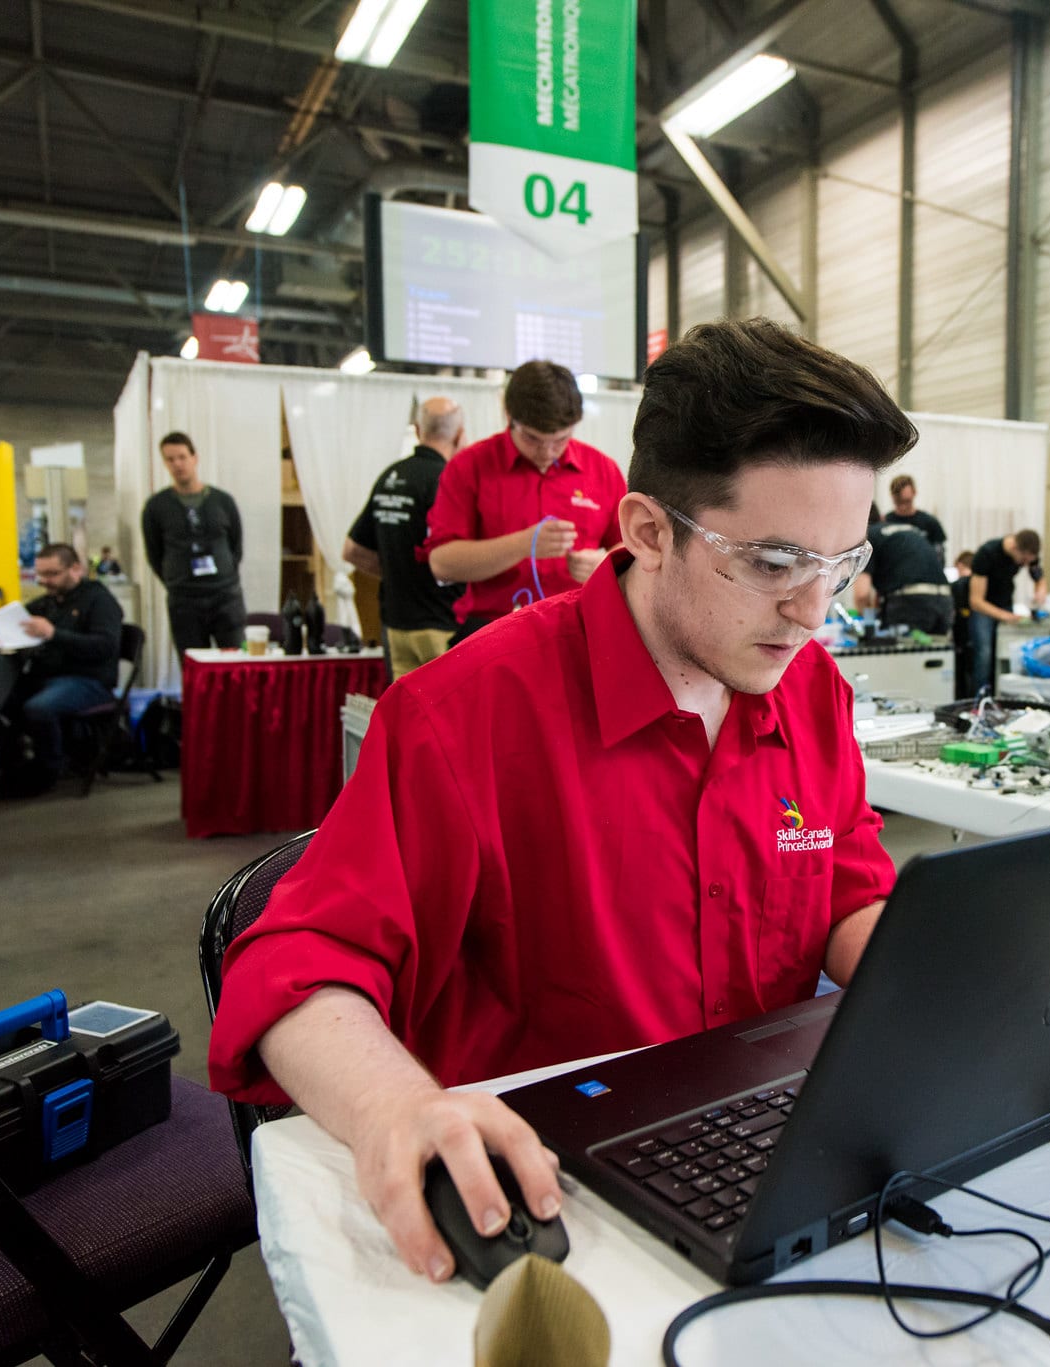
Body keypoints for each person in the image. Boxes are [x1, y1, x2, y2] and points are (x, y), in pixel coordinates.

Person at [207, 317, 915, 1286]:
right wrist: (393, 1111)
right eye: (772, 562)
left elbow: (842, 888)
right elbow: (296, 959)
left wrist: (938, 1000)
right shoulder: (468, 712)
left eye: (839, 563)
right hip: (548, 1189)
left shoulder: (811, 692)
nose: (812, 610)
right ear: (647, 530)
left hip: (759, 1155)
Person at [420, 361, 626, 642]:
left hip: (579, 629)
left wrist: (605, 563)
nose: (547, 451)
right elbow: (443, 564)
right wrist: (523, 544)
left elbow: (632, 549)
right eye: (532, 439)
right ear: (508, 416)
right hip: (492, 633)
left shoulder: (602, 471)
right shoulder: (469, 468)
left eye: (560, 440)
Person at [345, 398, 469, 677]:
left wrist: (397, 571)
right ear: (460, 434)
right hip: (442, 625)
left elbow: (352, 551)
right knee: (442, 716)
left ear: (416, 429)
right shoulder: (450, 480)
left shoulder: (391, 476)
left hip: (396, 625)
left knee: (405, 716)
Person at [5, 543, 123, 795]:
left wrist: (53, 634)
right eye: (41, 575)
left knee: (39, 708)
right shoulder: (47, 603)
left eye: (52, 574)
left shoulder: (100, 601)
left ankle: (48, 770)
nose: (45, 581)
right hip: (49, 676)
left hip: (90, 680)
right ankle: (10, 767)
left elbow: (104, 647)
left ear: (76, 569)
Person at [141, 432, 245, 651]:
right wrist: (175, 578)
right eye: (170, 459)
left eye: (182, 457)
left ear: (194, 458)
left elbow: (236, 545)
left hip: (225, 596)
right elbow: (154, 553)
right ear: (165, 463)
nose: (177, 464)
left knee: (235, 661)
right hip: (184, 599)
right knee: (193, 665)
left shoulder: (222, 501)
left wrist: (226, 572)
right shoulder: (156, 507)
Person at [852, 503, 952, 636]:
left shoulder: (868, 537)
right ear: (882, 517)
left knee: (902, 655)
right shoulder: (908, 530)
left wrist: (867, 621)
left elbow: (861, 594)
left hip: (910, 603)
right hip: (945, 600)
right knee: (936, 653)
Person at [965, 529, 1044, 694]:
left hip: (1005, 603)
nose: (1024, 563)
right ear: (1015, 547)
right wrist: (1005, 616)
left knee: (1006, 652)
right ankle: (978, 698)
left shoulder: (1026, 553)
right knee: (984, 654)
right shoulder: (986, 554)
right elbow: (976, 601)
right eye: (1022, 560)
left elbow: (1038, 575)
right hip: (984, 607)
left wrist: (1040, 591)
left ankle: (1003, 696)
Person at [880, 474, 946, 556]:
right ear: (892, 496)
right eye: (898, 501)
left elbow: (939, 556)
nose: (903, 506)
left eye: (907, 501)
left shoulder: (930, 523)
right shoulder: (884, 523)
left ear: (914, 493)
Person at [949, 549, 976, 696]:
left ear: (959, 565)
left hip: (961, 634)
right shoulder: (979, 583)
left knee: (961, 672)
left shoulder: (958, 585)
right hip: (975, 636)